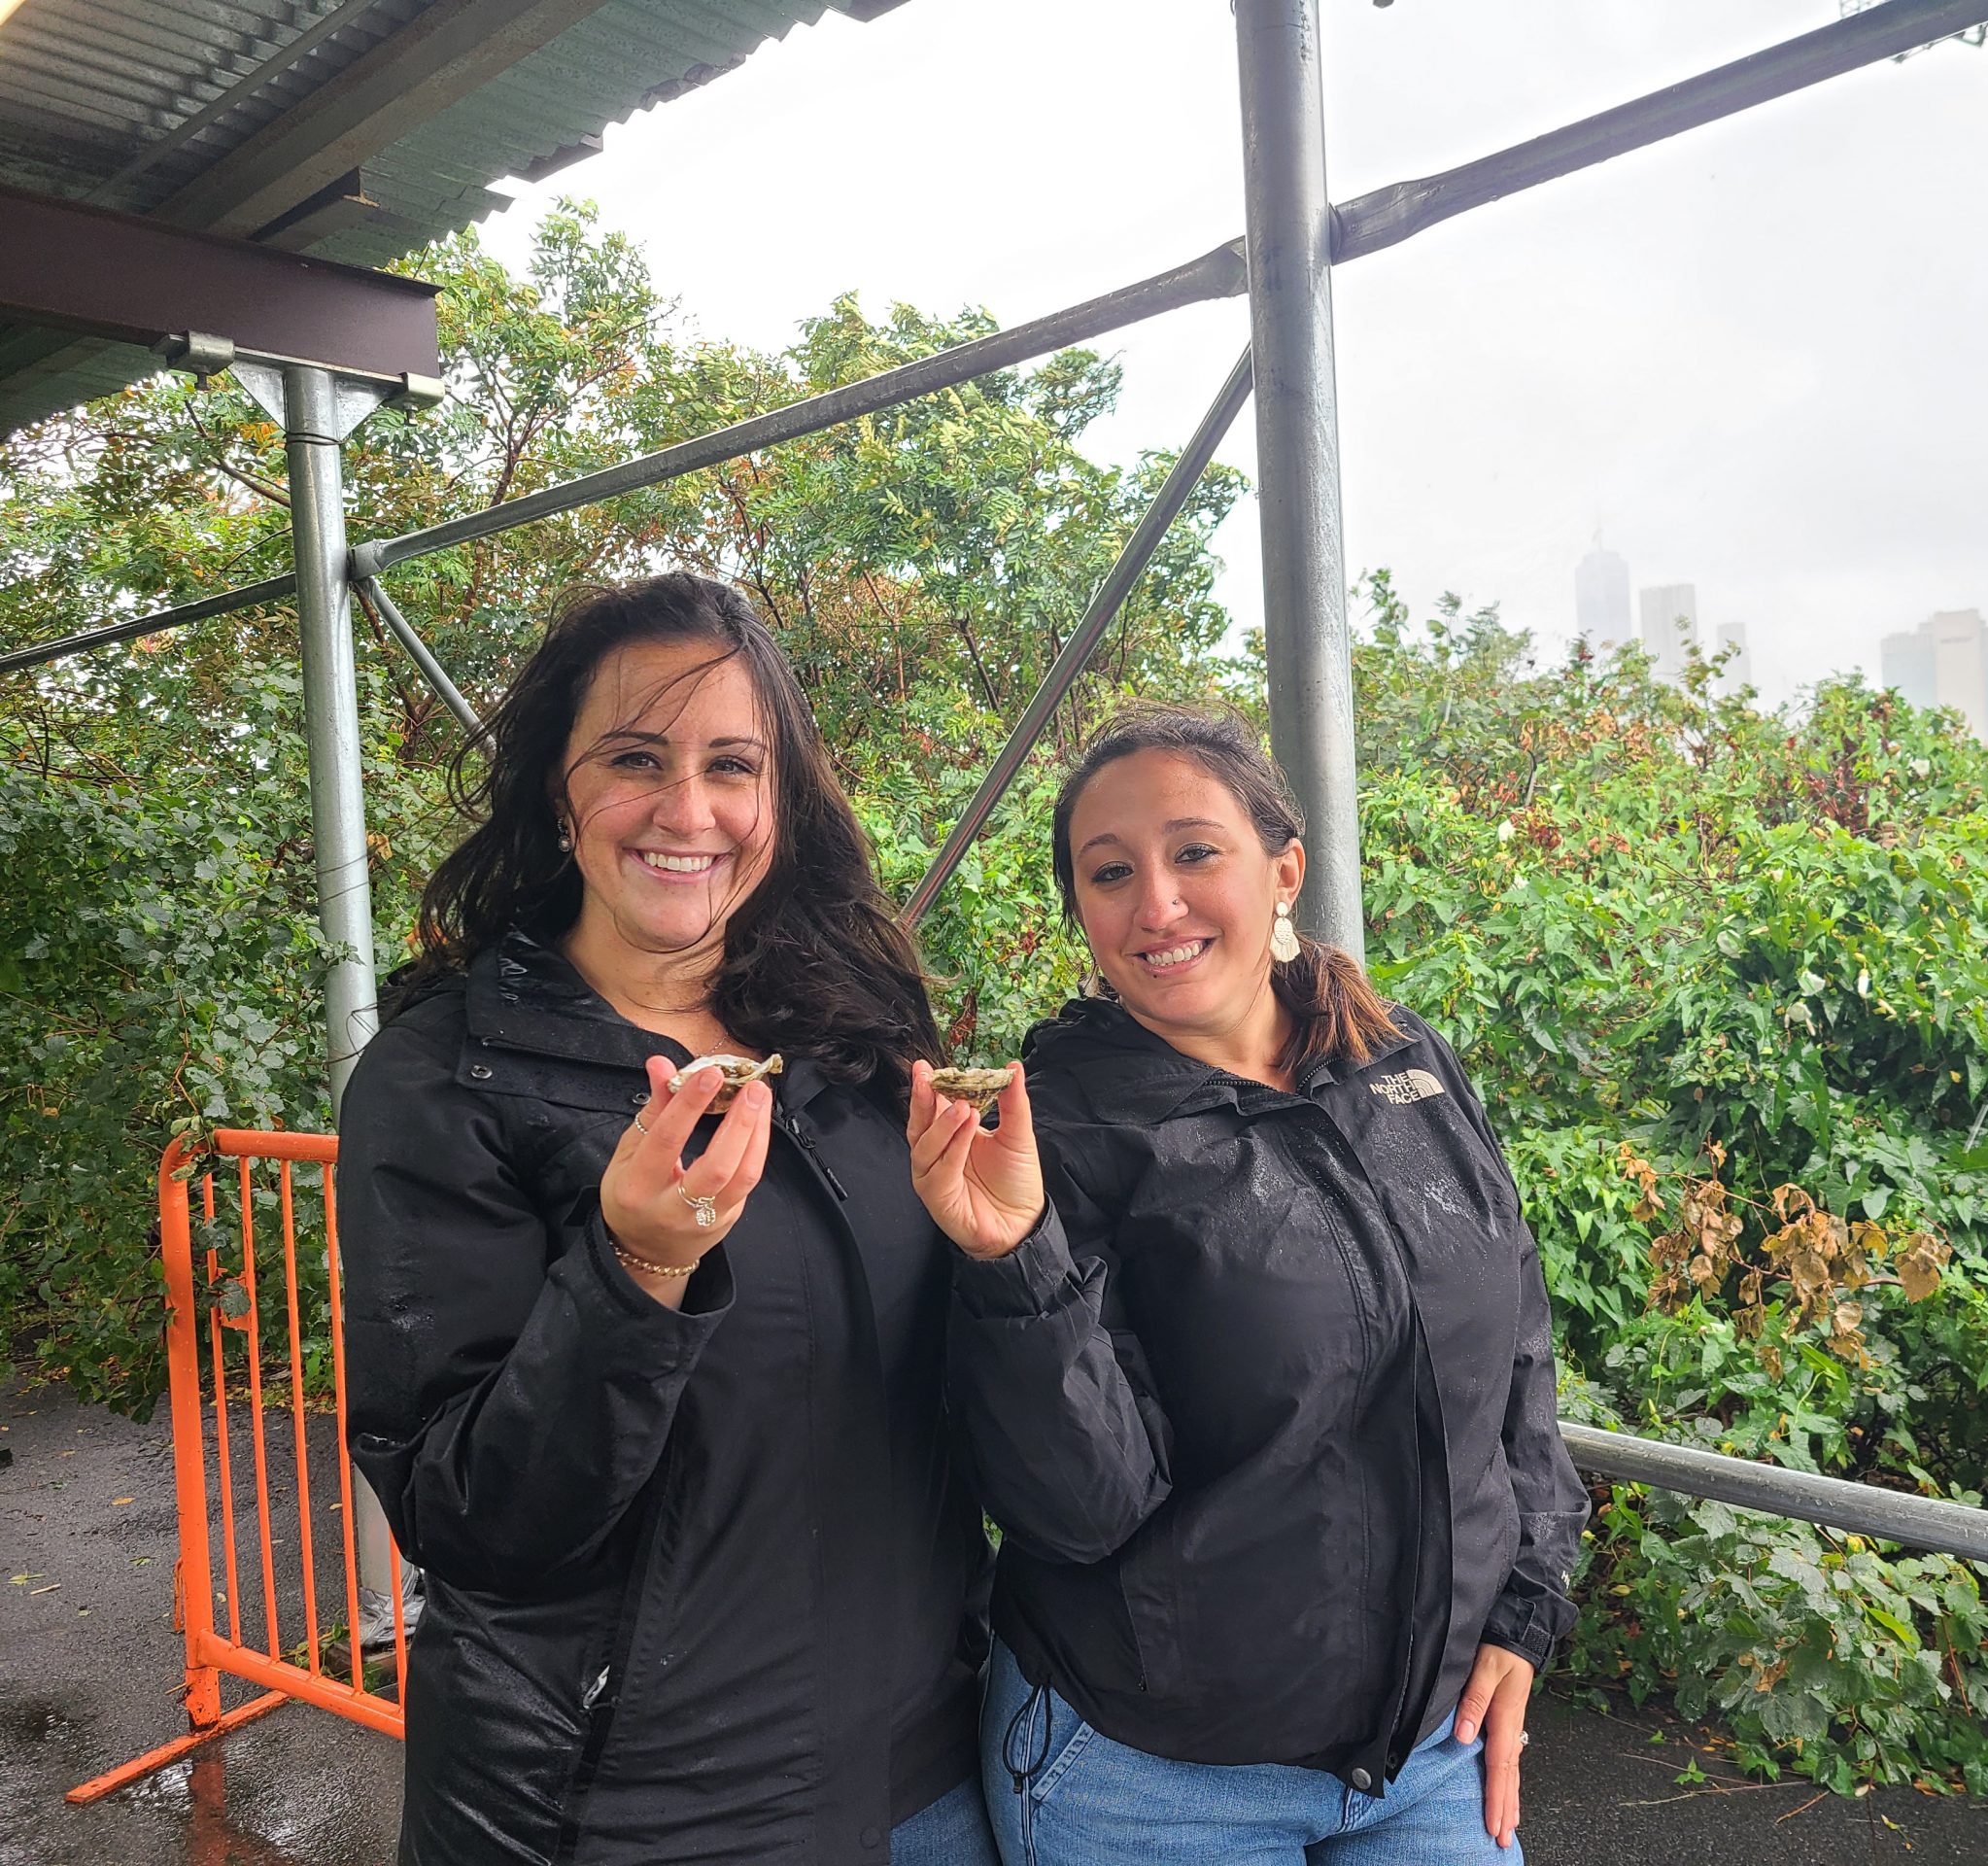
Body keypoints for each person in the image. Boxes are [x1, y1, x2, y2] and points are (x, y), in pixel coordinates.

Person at [338, 573, 1000, 1866]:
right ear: (558, 790)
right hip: (629, 1817)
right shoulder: (446, 1078)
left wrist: (1013, 1257)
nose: (688, 811)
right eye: (636, 759)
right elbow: (473, 1522)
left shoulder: (858, 1041)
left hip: (926, 1778)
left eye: (732, 766)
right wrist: (638, 1271)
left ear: (780, 800)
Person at [908, 702, 1589, 1864]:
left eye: (1194, 852)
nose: (1157, 904)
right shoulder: (1053, 1125)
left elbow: (1513, 1349)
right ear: (1080, 910)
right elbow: (1082, 1510)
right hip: (1146, 1773)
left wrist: (1528, 1604)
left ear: (1284, 868)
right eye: (1110, 872)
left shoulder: (1403, 1059)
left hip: (1429, 1750)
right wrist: (1010, 1257)